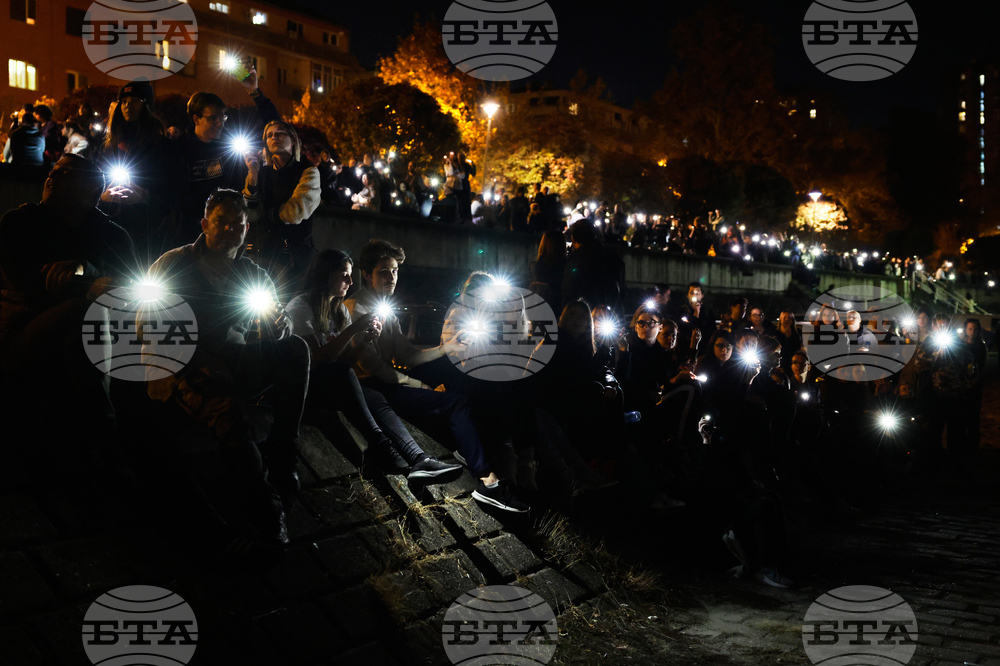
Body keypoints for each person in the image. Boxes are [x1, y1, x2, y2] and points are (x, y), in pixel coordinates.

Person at [146, 189, 310, 546]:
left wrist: (279, 329)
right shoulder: (174, 265)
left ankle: (284, 455)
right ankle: (266, 511)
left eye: (238, 223)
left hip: (234, 361)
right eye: (222, 221)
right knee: (229, 414)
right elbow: (149, 327)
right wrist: (203, 361)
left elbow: (274, 318)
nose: (231, 229)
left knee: (295, 349)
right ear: (205, 224)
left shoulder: (252, 273)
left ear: (247, 229)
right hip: (181, 368)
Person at [345, 239, 528, 512]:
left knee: (471, 389)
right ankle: (490, 483)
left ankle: (493, 470)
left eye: (395, 271)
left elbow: (407, 356)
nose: (391, 277)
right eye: (384, 271)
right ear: (365, 273)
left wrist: (446, 348)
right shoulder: (355, 308)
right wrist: (422, 385)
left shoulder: (386, 310)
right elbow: (375, 369)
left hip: (387, 384)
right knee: (456, 401)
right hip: (370, 389)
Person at [0, 155, 137, 478]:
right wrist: (92, 282)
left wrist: (85, 272)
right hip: (21, 335)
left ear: (92, 193)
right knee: (83, 312)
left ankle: (103, 445)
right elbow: (30, 284)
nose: (51, 180)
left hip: (89, 337)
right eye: (53, 174)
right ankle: (107, 434)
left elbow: (133, 289)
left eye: (65, 176)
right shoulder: (19, 223)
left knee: (83, 333)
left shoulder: (111, 234)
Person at [285, 249, 462, 481]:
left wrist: (365, 340)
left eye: (350, 275)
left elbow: (347, 360)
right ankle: (383, 448)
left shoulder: (338, 310)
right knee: (346, 376)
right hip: (305, 386)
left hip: (335, 383)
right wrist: (354, 329)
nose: (350, 281)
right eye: (344, 275)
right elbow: (316, 359)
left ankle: (418, 458)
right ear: (325, 275)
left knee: (375, 396)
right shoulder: (301, 306)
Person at [165, 66, 280, 249]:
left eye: (223, 118)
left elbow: (276, 128)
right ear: (196, 119)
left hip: (227, 238)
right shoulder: (178, 149)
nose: (220, 123)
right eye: (213, 118)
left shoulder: (230, 150)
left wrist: (254, 91)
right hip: (185, 240)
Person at [96, 79, 171, 264]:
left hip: (148, 231)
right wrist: (103, 197)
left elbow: (171, 189)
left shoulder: (161, 146)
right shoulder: (109, 146)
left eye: (135, 100)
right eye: (124, 101)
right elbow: (94, 182)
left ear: (147, 105)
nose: (128, 105)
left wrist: (145, 196)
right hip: (112, 229)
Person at [243, 120, 321, 296]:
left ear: (293, 140)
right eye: (269, 135)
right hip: (263, 253)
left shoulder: (308, 171)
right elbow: (249, 212)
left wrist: (267, 214)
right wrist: (253, 177)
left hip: (295, 255)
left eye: (280, 134)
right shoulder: (261, 172)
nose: (274, 138)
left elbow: (296, 211)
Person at [562, 219, 626, 313]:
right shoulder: (613, 257)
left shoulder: (574, 261)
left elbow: (568, 292)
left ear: (573, 238)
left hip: (584, 316)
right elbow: (622, 288)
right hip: (611, 313)